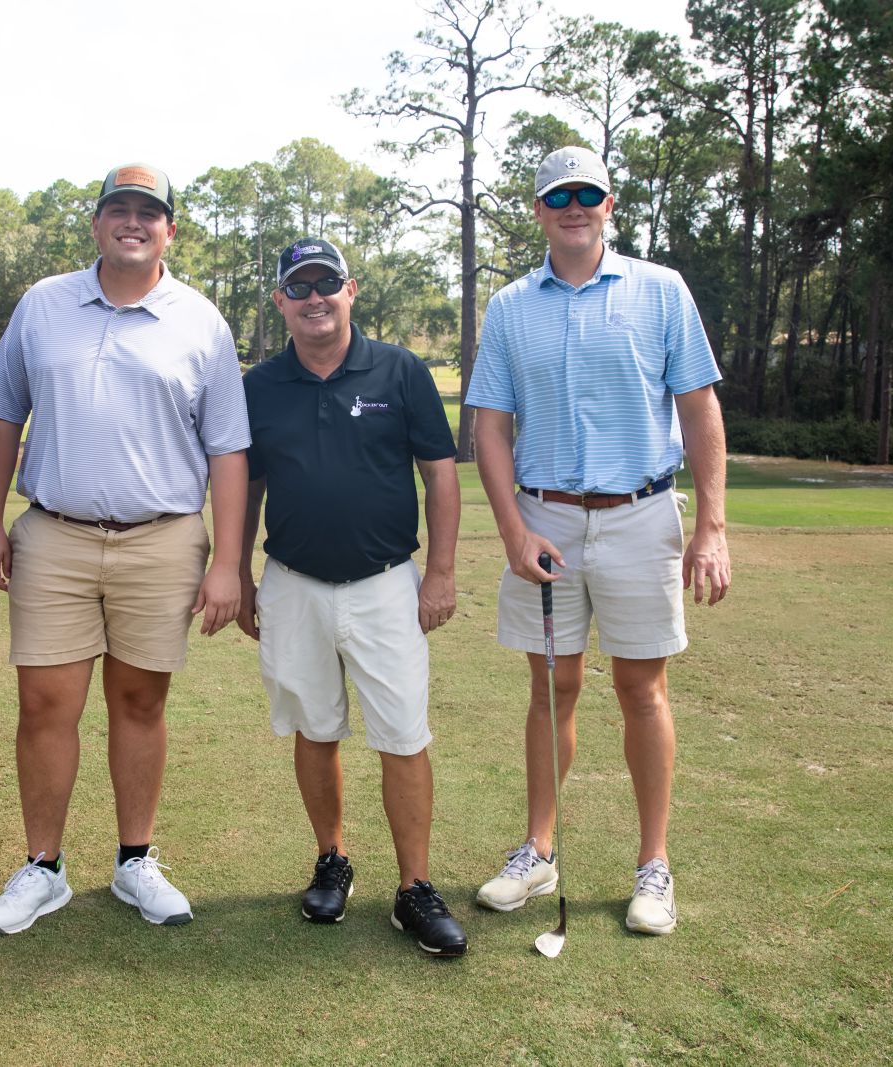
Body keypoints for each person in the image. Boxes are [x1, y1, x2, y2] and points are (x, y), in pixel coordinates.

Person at [0, 163, 250, 935]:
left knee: (140, 702)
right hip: (53, 533)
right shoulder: (43, 304)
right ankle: (43, 867)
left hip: (161, 539)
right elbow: (1, 414)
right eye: (118, 209)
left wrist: (228, 561)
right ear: (96, 223)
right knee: (44, 704)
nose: (133, 222)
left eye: (148, 212)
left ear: (169, 230)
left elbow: (228, 447)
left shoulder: (201, 321)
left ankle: (135, 861)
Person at [465, 146, 731, 935]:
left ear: (609, 204)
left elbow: (700, 409)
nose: (573, 206)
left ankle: (654, 865)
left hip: (640, 513)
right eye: (558, 196)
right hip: (544, 517)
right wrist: (513, 530)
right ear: (539, 211)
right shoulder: (511, 307)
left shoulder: (661, 290)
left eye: (587, 193)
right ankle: (538, 850)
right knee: (552, 687)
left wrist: (712, 527)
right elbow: (490, 428)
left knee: (642, 690)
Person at [237, 237, 467, 957]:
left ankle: (414, 888)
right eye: (298, 288)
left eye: (326, 284)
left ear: (350, 290)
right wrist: (236, 573)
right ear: (280, 301)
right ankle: (331, 858)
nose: (314, 299)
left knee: (403, 735)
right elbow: (248, 485)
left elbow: (440, 473)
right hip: (293, 582)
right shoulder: (259, 385)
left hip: (386, 583)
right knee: (315, 728)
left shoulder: (400, 369)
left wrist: (441, 573)